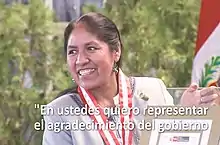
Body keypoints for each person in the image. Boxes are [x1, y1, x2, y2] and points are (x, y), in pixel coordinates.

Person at [42, 12, 220, 145]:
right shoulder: (59, 112)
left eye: (91, 48)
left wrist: (186, 114)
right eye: (72, 51)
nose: (80, 60)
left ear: (116, 51)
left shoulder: (153, 91)